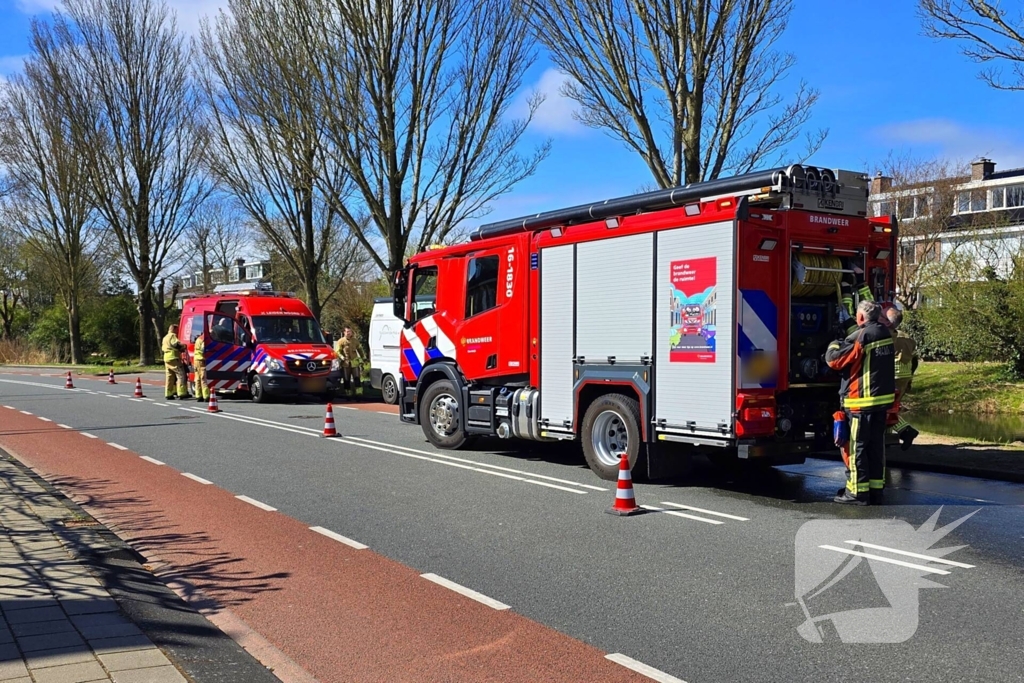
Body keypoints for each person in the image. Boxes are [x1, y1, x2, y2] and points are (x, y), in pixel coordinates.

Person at [825, 300, 896, 505]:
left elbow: (834, 360)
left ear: (861, 317)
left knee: (856, 448)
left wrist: (834, 342)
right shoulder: (883, 332)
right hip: (880, 403)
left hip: (860, 404)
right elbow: (859, 332)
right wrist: (847, 320)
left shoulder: (863, 337)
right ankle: (875, 490)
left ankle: (856, 493)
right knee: (875, 447)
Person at [886, 306, 920, 450]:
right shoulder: (908, 338)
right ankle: (887, 438)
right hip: (904, 376)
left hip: (891, 375)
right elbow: (915, 360)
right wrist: (910, 378)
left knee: (886, 409)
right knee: (891, 408)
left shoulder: (888, 336)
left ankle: (905, 431)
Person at [162, 324, 188, 400]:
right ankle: (181, 393)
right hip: (174, 357)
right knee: (180, 375)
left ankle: (168, 393)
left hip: (166, 358)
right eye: (177, 330)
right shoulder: (172, 336)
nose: (178, 331)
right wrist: (183, 346)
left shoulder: (165, 337)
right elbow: (176, 344)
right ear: (174, 329)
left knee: (169, 376)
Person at [333, 327, 362, 397]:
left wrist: (363, 359)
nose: (348, 333)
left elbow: (360, 350)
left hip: (355, 363)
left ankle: (359, 394)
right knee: (346, 380)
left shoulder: (355, 341)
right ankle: (348, 394)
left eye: (350, 332)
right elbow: (337, 351)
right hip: (345, 364)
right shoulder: (341, 341)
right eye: (347, 331)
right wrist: (342, 357)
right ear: (344, 332)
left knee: (357, 379)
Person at [192, 331, 210, 404]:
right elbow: (203, 350)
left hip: (196, 360)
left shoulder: (198, 339)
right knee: (203, 378)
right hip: (201, 360)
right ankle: (206, 396)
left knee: (197, 378)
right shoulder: (202, 340)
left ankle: (198, 395)